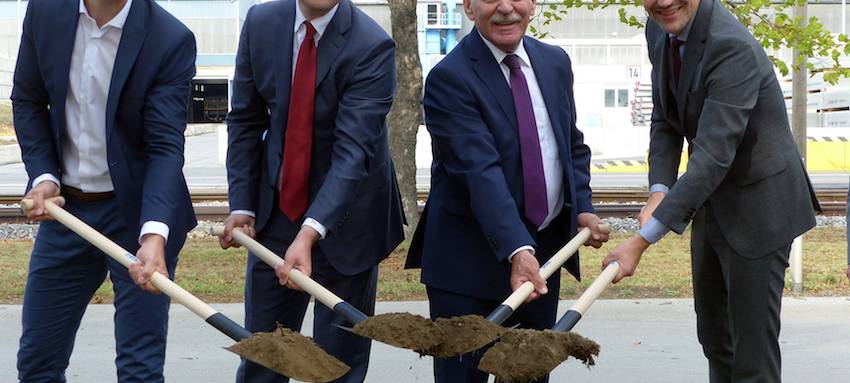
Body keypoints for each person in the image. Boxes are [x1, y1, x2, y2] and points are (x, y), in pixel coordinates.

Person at [603, 0, 821, 381]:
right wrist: (659, 189)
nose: (664, 2)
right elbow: (664, 116)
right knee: (716, 339)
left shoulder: (731, 46)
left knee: (751, 356)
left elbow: (712, 158)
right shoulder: (660, 28)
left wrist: (640, 242)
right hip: (711, 200)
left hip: (760, 208)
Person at [405, 0, 608, 381]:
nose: (505, 8)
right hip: (467, 267)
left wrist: (581, 206)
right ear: (468, 7)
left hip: (543, 259)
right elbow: (479, 172)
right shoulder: (450, 77)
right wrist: (518, 250)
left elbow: (570, 146)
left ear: (533, 4)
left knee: (529, 376)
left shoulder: (554, 63)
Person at [217, 0, 404, 381]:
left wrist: (310, 231)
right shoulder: (260, 22)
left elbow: (353, 154)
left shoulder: (372, 45)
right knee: (264, 358)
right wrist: (243, 205)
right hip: (277, 215)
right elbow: (245, 121)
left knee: (336, 366)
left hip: (349, 222)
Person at [13, 0, 197, 381]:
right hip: (66, 213)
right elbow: (28, 99)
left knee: (138, 371)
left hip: (135, 217)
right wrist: (44, 175)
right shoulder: (45, 12)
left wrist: (153, 234)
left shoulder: (169, 38)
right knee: (37, 365)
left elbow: (164, 146)